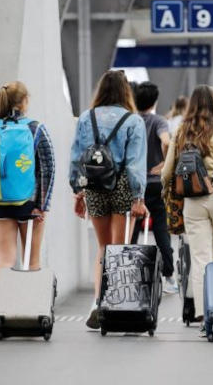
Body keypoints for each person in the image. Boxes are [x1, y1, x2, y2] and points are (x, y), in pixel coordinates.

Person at [70, 70, 148, 329]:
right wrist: (139, 196)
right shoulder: (133, 121)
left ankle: (97, 302)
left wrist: (78, 191)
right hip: (123, 184)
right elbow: (135, 164)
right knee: (120, 248)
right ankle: (116, 304)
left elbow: (77, 157)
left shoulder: (85, 118)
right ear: (125, 91)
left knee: (103, 248)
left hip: (94, 185)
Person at [161, 86, 213, 326]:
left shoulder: (181, 130)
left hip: (192, 201)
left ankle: (201, 311)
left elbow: (167, 172)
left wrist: (166, 191)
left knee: (199, 258)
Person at [0, 81, 55, 287]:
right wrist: (42, 205)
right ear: (24, 102)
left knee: (4, 262)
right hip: (28, 203)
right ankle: (29, 311)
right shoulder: (35, 128)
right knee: (31, 261)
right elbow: (48, 169)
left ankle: (1, 312)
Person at [130, 81, 179, 294]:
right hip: (155, 184)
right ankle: (168, 276)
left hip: (134, 185)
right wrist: (165, 163)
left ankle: (129, 273)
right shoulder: (159, 121)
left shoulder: (131, 121)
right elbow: (166, 142)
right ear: (155, 101)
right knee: (161, 230)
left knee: (131, 231)